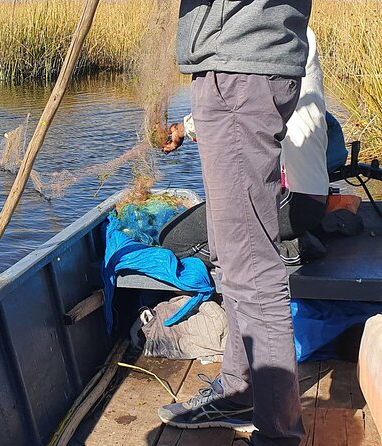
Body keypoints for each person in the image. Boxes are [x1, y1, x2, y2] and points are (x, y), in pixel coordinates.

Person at [158, 2, 311, 446]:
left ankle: (278, 435)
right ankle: (239, 389)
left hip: (242, 70)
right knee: (232, 255)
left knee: (252, 267)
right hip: (239, 66)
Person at [161, 27, 330, 267]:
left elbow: (234, 106)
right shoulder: (296, 32)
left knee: (174, 241)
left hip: (288, 199)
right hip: (309, 199)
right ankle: (284, 238)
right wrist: (183, 129)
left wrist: (185, 128)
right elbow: (241, 101)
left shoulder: (264, 36)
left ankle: (286, 249)